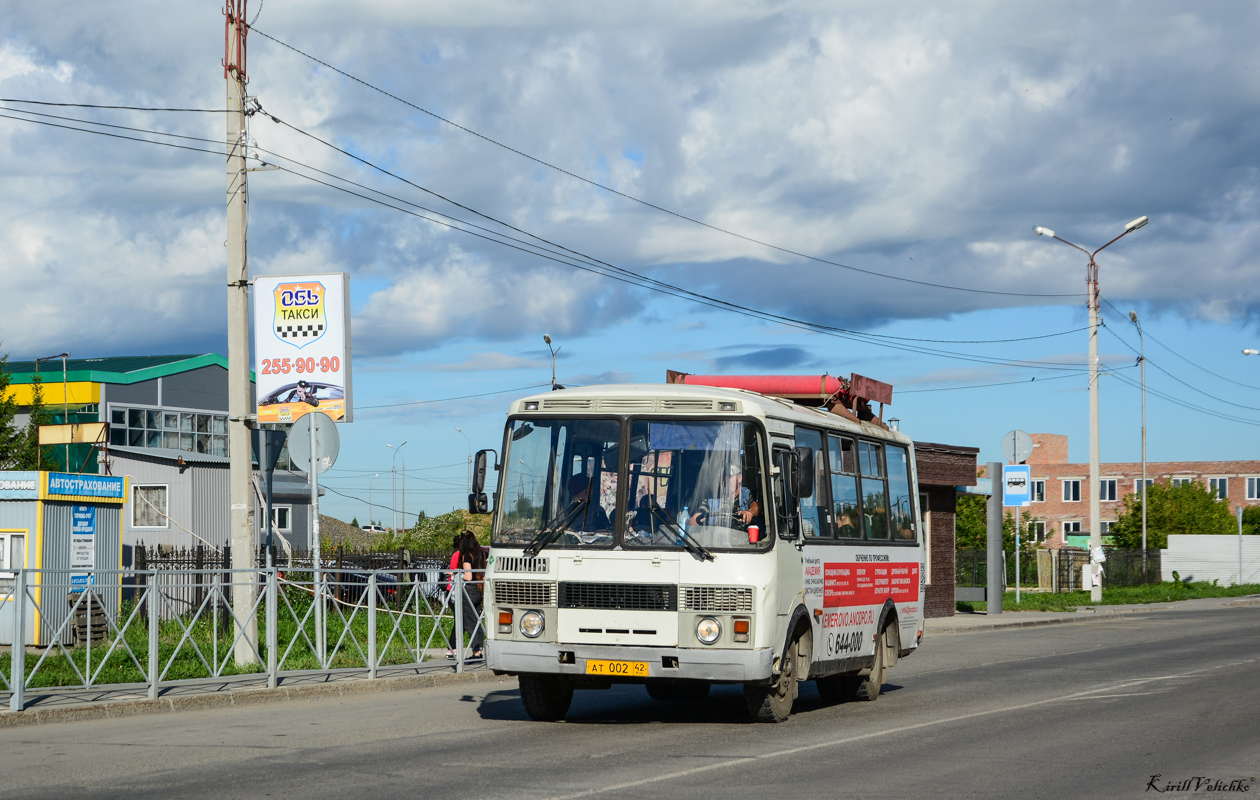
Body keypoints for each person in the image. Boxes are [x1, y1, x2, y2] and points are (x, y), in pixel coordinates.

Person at [455, 530, 487, 659]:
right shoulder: (482, 553)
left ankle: (475, 651)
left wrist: (458, 576)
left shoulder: (466, 556)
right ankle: (479, 649)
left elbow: (468, 576)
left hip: (470, 590)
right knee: (478, 620)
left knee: (470, 621)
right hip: (481, 589)